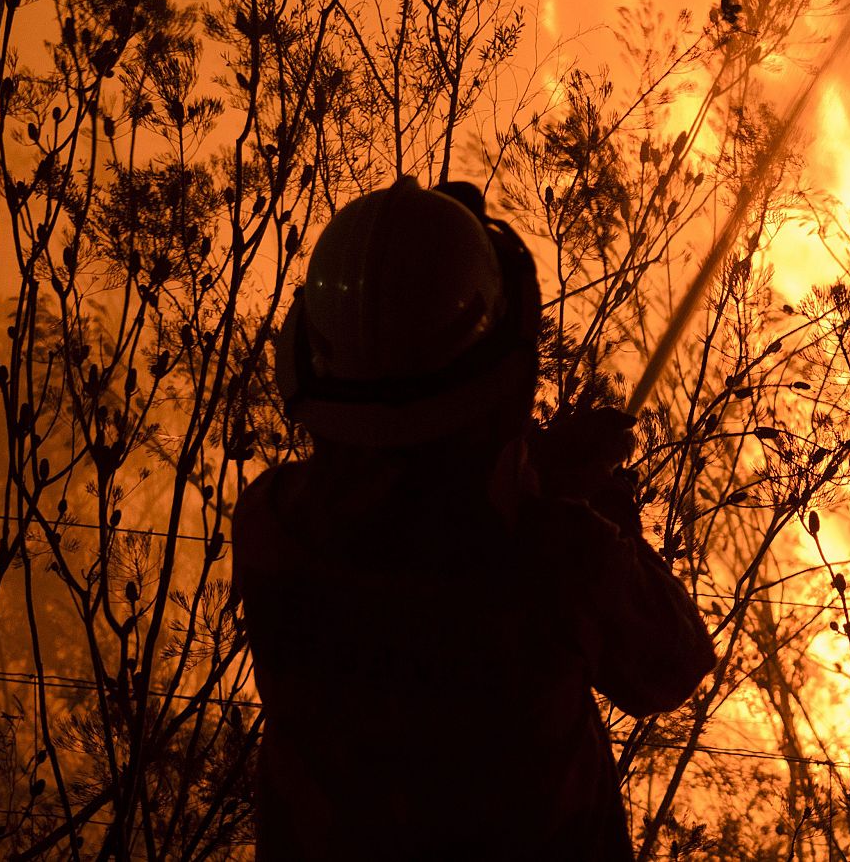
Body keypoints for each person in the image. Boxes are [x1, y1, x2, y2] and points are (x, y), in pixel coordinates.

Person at [232, 177, 716, 860]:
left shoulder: (272, 524)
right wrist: (595, 510)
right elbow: (674, 663)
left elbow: (412, 518)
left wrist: (535, 480)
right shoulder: (555, 555)